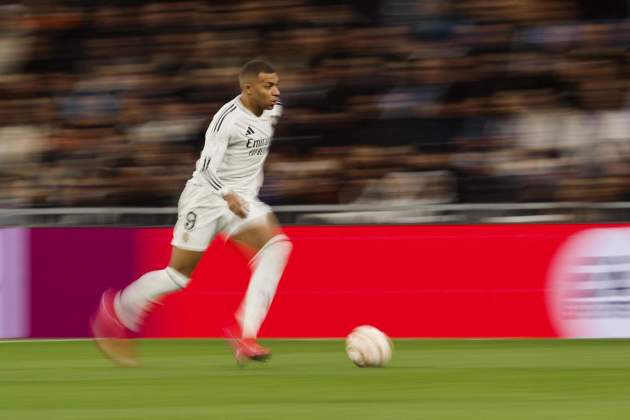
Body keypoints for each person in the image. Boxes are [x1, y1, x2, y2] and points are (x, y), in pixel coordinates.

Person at [91, 59, 292, 367]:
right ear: (248, 89)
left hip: (243, 202)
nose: (276, 92)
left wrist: (240, 196)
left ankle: (244, 333)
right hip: (207, 199)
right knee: (177, 276)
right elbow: (206, 168)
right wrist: (227, 194)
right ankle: (117, 310)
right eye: (268, 86)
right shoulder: (227, 120)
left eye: (277, 84)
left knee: (276, 248)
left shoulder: (273, 110)